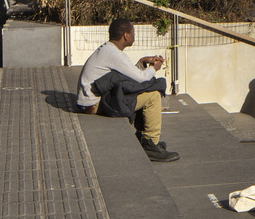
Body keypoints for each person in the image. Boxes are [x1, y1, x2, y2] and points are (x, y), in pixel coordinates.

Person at [76, 18, 179, 161]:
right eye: (133, 33)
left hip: (90, 100)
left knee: (139, 91)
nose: (134, 36)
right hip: (93, 104)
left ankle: (144, 137)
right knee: (153, 96)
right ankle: (151, 143)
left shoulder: (108, 50)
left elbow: (131, 76)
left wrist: (143, 62)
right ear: (126, 36)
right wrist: (153, 68)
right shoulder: (114, 55)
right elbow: (142, 78)